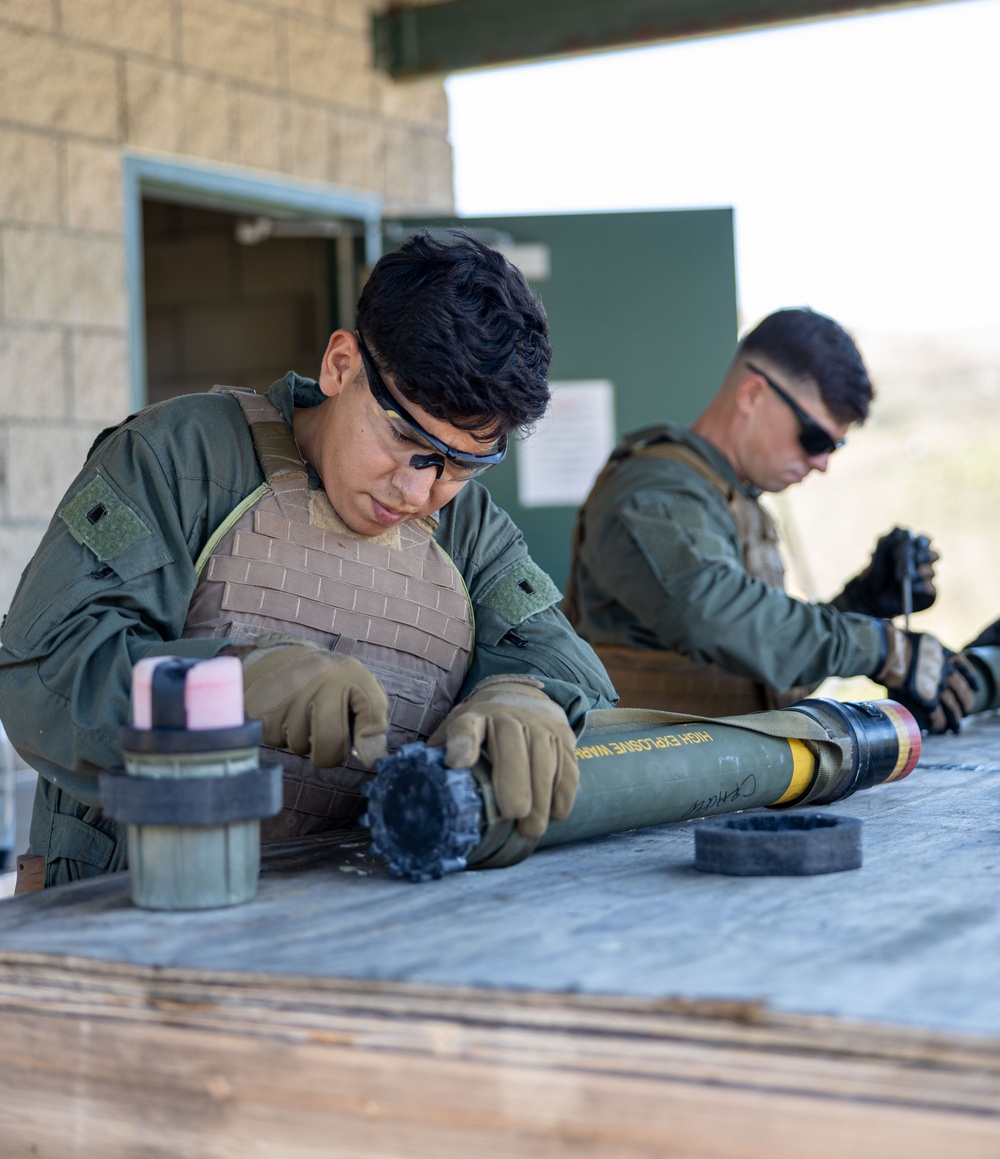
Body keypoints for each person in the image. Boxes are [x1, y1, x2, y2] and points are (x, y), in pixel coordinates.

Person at [0, 229, 616, 888]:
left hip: (358, 921)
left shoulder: (466, 528)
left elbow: (569, 669)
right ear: (341, 365)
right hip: (144, 906)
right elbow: (41, 674)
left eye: (460, 464)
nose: (416, 490)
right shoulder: (181, 460)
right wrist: (230, 686)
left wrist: (525, 697)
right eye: (403, 437)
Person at [565, 307, 977, 732]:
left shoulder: (734, 497)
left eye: (834, 447)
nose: (821, 463)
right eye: (814, 438)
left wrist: (863, 602)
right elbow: (716, 617)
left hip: (725, 771)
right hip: (647, 773)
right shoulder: (654, 490)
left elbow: (765, 668)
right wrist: (880, 648)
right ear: (752, 395)